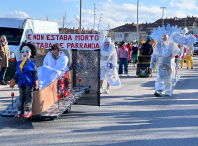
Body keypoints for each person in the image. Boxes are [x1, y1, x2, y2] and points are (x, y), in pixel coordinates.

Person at [10, 42, 38, 118]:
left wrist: (36, 81)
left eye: (27, 52)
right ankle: (20, 110)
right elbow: (17, 73)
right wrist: (13, 79)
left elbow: (35, 72)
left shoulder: (32, 64)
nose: (24, 53)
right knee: (21, 97)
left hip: (28, 83)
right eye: (22, 52)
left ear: (31, 53)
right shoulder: (19, 63)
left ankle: (28, 111)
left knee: (29, 97)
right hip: (21, 83)